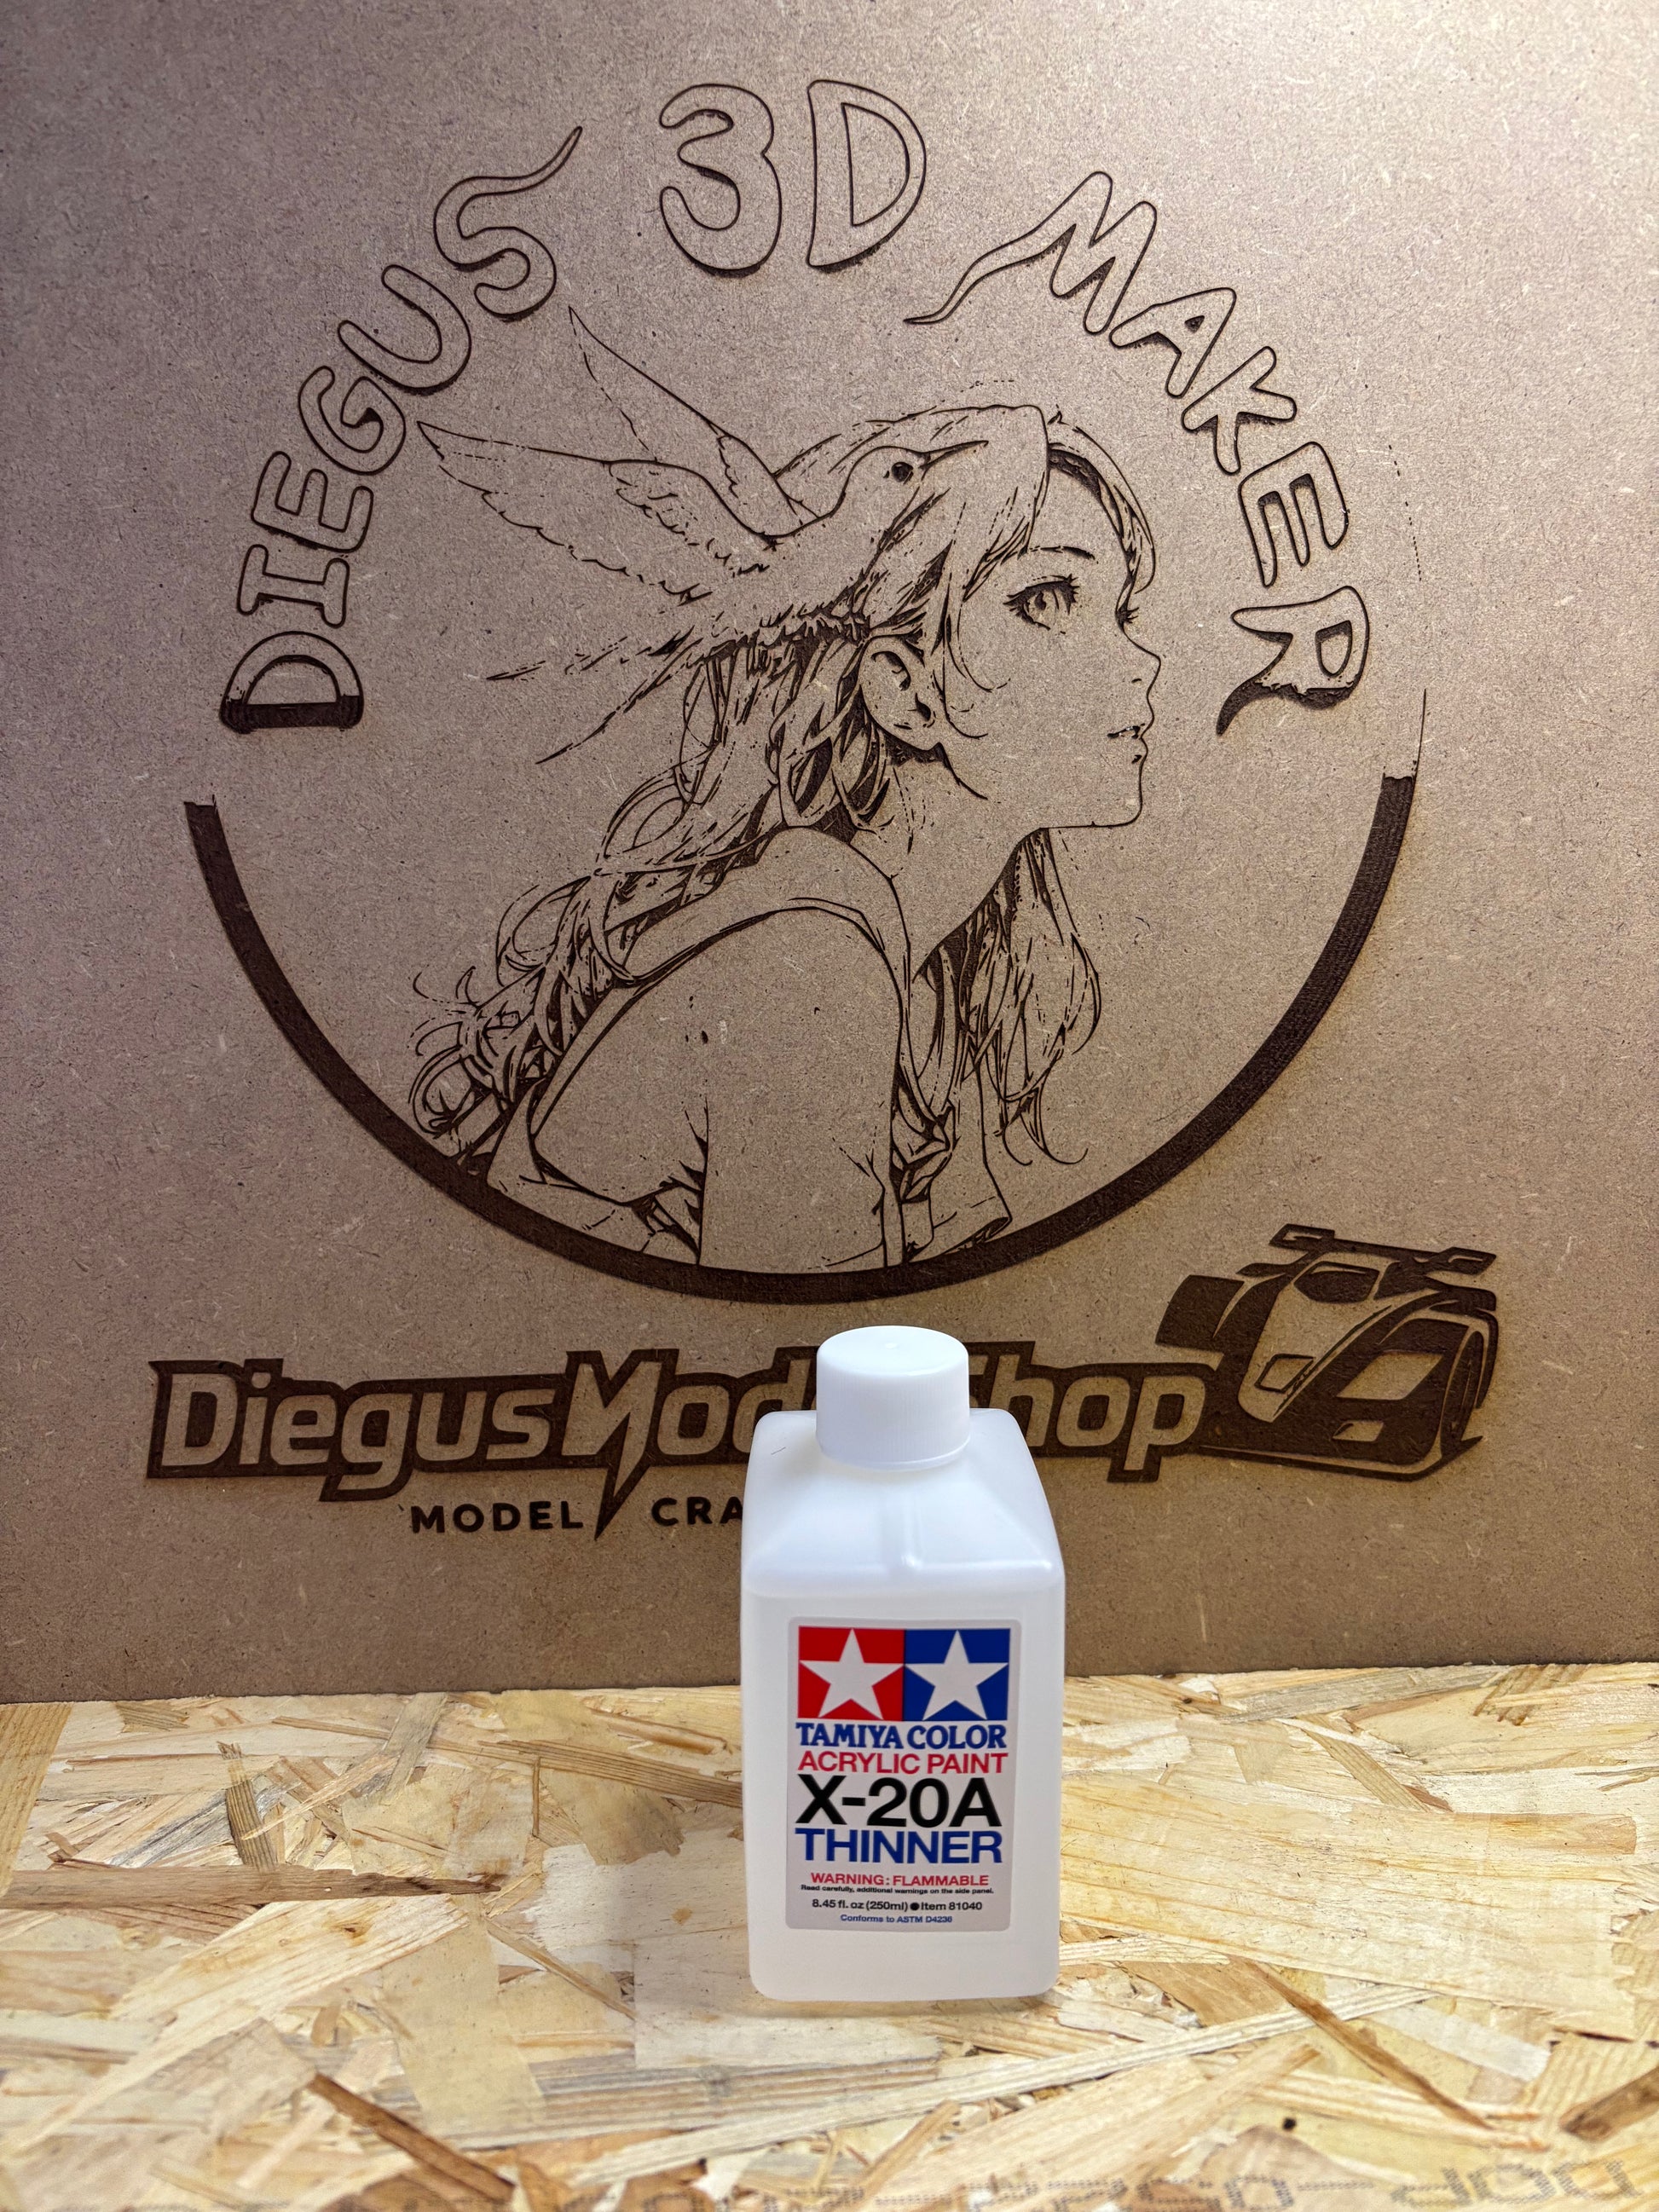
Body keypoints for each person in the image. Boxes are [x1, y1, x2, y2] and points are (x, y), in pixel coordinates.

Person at [413, 397, 1159, 1275]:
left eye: (1120, 611)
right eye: (1046, 600)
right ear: (905, 691)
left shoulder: (926, 987)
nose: (1141, 663)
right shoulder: (807, 970)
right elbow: (819, 1341)